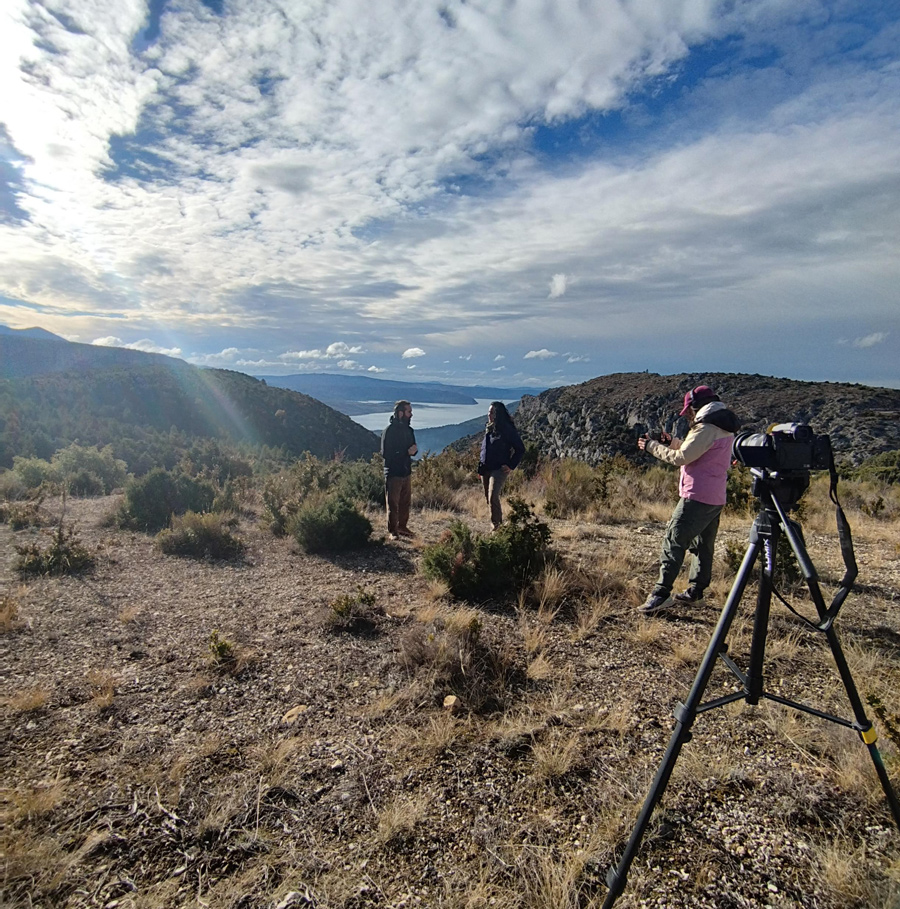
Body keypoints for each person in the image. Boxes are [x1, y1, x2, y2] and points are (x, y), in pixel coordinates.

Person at [637, 384, 741, 615]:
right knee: (703, 545)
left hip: (697, 495)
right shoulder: (723, 426)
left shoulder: (706, 428)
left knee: (674, 540)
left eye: (690, 411)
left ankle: (660, 594)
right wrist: (671, 441)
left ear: (696, 406)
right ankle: (695, 592)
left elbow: (682, 458)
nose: (689, 416)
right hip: (715, 495)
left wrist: (652, 447)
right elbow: (695, 450)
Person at [477, 401, 525, 530]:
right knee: (488, 498)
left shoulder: (507, 430)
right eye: (488, 412)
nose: (489, 415)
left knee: (493, 496)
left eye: (492, 412)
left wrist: (511, 465)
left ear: (499, 414)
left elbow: (520, 448)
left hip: (499, 469)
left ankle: (496, 528)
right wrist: (480, 467)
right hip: (486, 468)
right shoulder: (489, 428)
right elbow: (485, 449)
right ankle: (498, 524)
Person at [381, 400, 417, 539]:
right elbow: (386, 454)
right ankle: (393, 531)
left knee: (405, 503)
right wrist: (406, 452)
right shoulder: (389, 431)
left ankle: (402, 527)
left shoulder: (409, 430)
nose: (411, 414)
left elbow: (412, 447)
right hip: (393, 473)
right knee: (393, 503)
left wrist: (413, 451)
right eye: (409, 411)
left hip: (406, 471)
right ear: (400, 413)